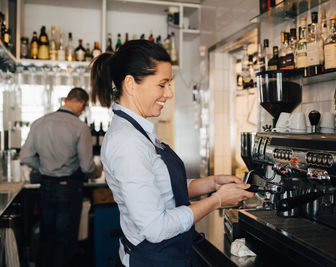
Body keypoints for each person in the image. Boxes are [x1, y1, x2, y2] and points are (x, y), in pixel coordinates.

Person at [90, 39, 254, 267]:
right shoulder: (127, 141)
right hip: (153, 258)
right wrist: (217, 200)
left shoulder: (140, 130)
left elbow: (162, 186)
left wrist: (212, 183)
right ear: (130, 84)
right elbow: (156, 228)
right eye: (162, 84)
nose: (169, 94)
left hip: (170, 253)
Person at [20, 87, 102, 267]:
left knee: (47, 237)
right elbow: (87, 166)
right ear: (81, 103)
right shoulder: (80, 127)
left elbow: (25, 156)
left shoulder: (39, 122)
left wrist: (42, 167)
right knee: (65, 241)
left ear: (66, 100)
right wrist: (99, 171)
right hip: (68, 188)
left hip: (46, 186)